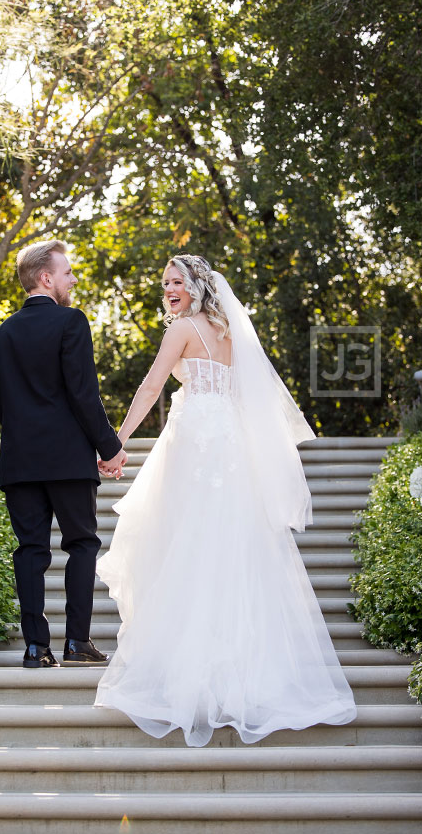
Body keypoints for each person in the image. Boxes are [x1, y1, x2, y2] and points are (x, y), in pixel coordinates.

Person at [95, 254, 356, 745]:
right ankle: (246, 673)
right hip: (231, 446)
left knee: (188, 547)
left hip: (196, 442)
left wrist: (118, 441)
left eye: (176, 280)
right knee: (234, 549)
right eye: (164, 281)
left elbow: (152, 386)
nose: (168, 288)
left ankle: (189, 676)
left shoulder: (183, 329)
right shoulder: (231, 328)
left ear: (196, 285)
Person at [0, 239, 127, 669]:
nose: (73, 279)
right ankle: (76, 642)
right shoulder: (71, 322)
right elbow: (83, 394)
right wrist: (110, 447)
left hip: (20, 460)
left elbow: (0, 403)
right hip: (67, 459)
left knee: (30, 550)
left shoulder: (0, 335)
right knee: (82, 544)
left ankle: (35, 648)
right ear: (46, 278)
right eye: (67, 273)